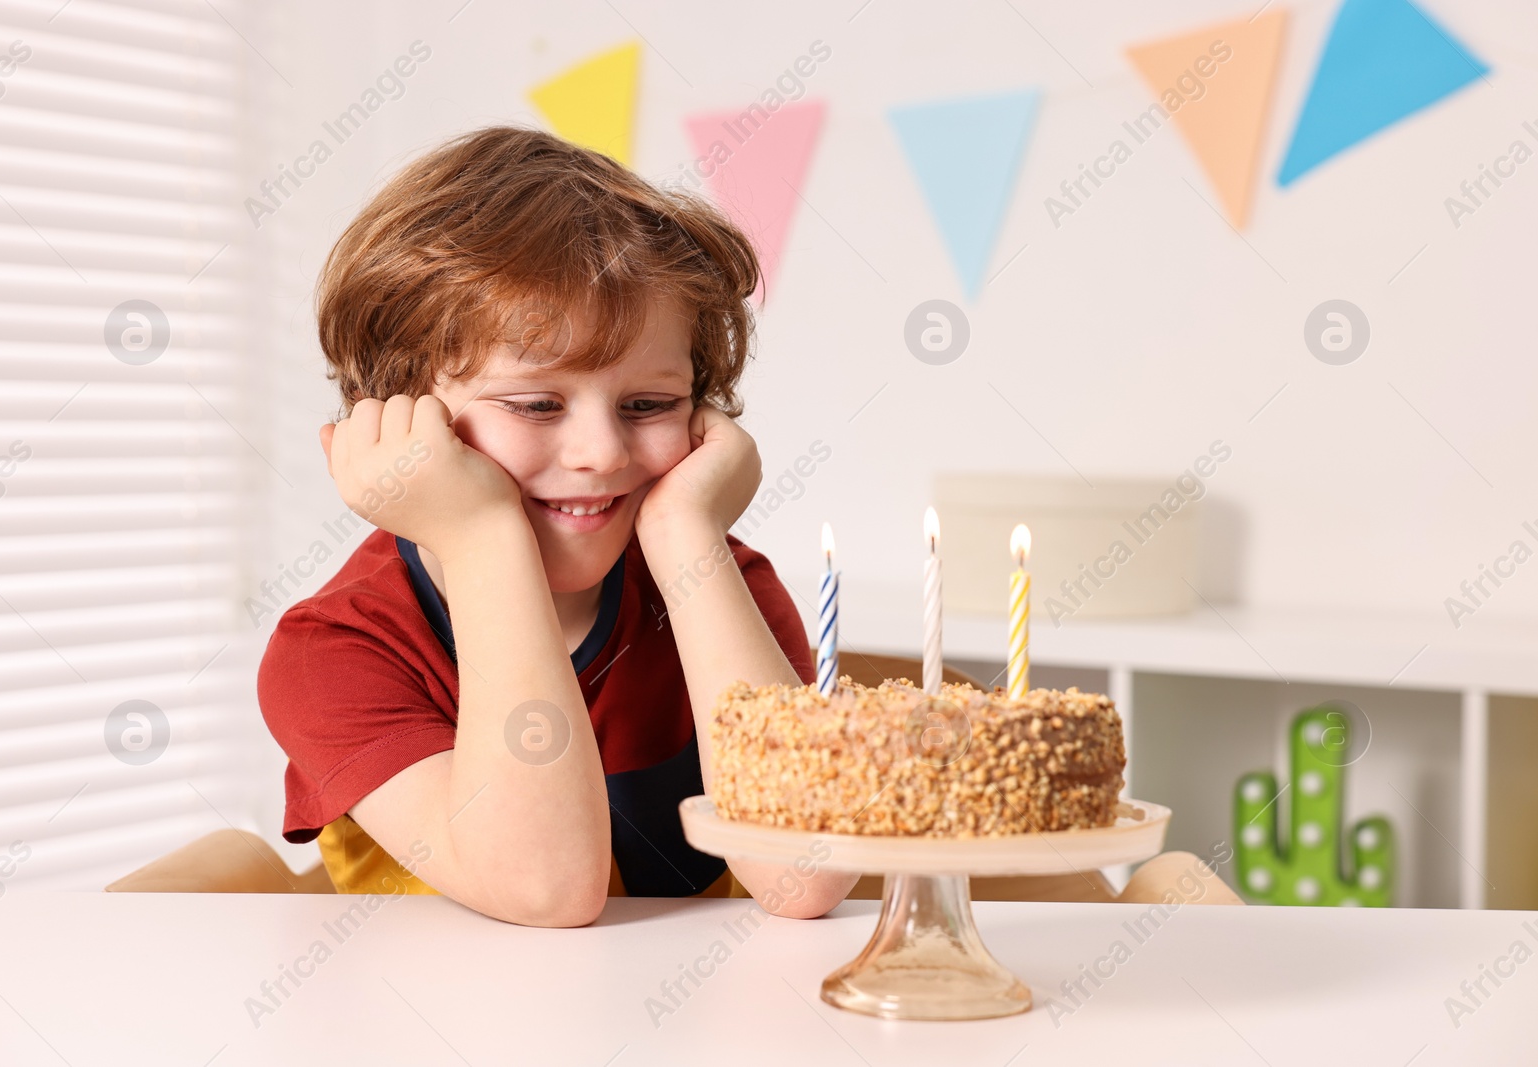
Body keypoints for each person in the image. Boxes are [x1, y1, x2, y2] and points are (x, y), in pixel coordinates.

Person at [258, 125, 1241, 928]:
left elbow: (802, 875)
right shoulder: (334, 648)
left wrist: (687, 535)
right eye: (538, 405)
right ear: (395, 421)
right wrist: (478, 539)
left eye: (647, 404)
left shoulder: (717, 578)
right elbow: (547, 889)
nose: (602, 451)